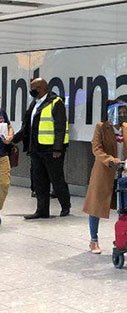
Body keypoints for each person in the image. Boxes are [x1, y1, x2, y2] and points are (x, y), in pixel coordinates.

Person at [82, 100, 127, 254]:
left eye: (124, 111)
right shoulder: (101, 127)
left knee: (126, 208)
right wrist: (111, 160)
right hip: (105, 172)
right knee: (96, 206)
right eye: (120, 111)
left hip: (124, 172)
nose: (123, 114)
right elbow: (97, 148)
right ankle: (93, 240)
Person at [13, 77, 71, 219]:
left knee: (56, 179)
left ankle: (65, 206)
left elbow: (60, 128)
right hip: (36, 149)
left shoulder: (56, 103)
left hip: (51, 150)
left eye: (33, 88)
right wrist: (13, 140)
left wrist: (58, 149)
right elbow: (27, 127)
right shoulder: (35, 104)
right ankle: (42, 210)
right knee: (39, 181)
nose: (31, 90)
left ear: (42, 88)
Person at [0, 108, 15, 225]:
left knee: (4, 184)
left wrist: (10, 136)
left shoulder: (1, 111)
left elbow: (9, 126)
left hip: (2, 155)